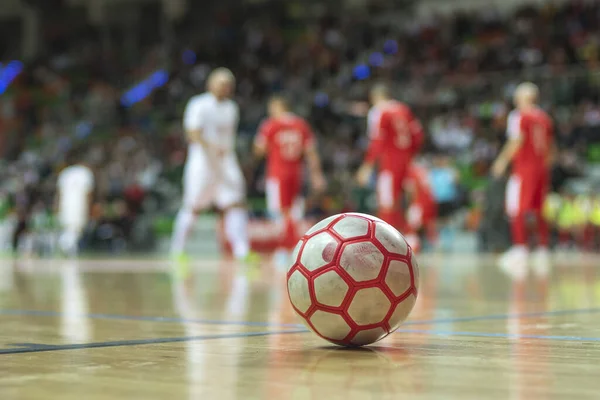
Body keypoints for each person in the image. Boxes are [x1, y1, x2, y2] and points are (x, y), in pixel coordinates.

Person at [170, 68, 256, 263]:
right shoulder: (198, 104)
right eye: (221, 83)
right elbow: (192, 132)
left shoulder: (232, 108)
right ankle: (177, 251)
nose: (225, 88)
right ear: (211, 84)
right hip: (202, 162)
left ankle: (242, 251)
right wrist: (210, 147)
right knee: (193, 206)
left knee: (236, 202)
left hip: (226, 161)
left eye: (228, 85)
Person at [492, 82, 555, 277]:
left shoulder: (519, 115)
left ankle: (520, 249)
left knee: (516, 207)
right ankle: (543, 250)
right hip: (541, 168)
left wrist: (501, 161)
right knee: (538, 209)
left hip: (524, 169)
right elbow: (551, 149)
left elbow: (516, 140)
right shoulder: (544, 118)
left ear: (522, 98)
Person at [254, 95, 325, 264]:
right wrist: (317, 174)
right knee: (294, 211)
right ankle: (295, 247)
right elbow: (311, 152)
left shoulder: (271, 124)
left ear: (277, 107)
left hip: (278, 174)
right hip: (296, 173)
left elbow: (259, 150)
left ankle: (285, 249)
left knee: (279, 212)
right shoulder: (301, 124)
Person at [356, 84, 424, 232]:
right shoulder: (404, 109)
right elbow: (417, 135)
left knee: (387, 201)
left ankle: (388, 241)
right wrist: (410, 156)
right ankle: (410, 235)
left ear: (375, 98)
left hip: (390, 162)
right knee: (409, 198)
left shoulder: (379, 111)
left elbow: (377, 141)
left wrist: (367, 166)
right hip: (407, 160)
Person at [56, 151, 95, 256]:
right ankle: (66, 248)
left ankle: (67, 248)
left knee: (69, 229)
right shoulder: (85, 173)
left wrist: (57, 208)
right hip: (80, 206)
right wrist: (89, 208)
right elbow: (88, 193)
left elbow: (59, 194)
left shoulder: (65, 173)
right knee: (75, 230)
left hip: (65, 206)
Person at [404, 162, 437, 253]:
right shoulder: (425, 171)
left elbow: (410, 189)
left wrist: (411, 204)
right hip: (431, 203)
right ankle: (436, 251)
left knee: (411, 228)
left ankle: (411, 251)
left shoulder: (411, 171)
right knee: (430, 227)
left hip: (419, 203)